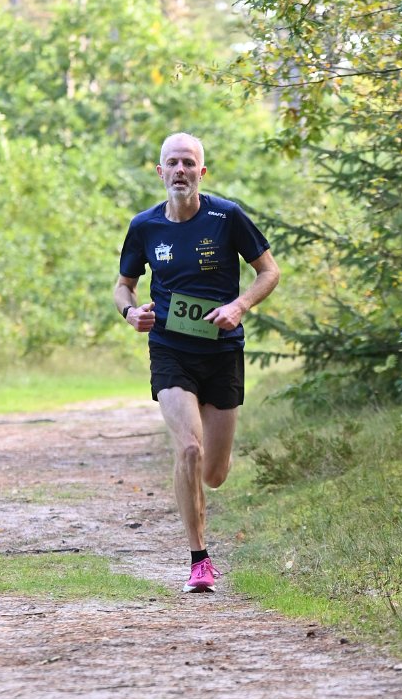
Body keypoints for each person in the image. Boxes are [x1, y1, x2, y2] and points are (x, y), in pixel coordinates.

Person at [114, 133, 280, 593]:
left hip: (222, 352)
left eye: (189, 163)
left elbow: (269, 271)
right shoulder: (145, 226)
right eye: (172, 163)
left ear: (201, 172)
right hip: (170, 349)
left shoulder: (227, 216)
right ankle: (199, 560)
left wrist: (240, 306)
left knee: (214, 473)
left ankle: (201, 479)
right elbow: (123, 285)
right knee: (189, 448)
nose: (180, 170)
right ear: (160, 172)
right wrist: (131, 312)